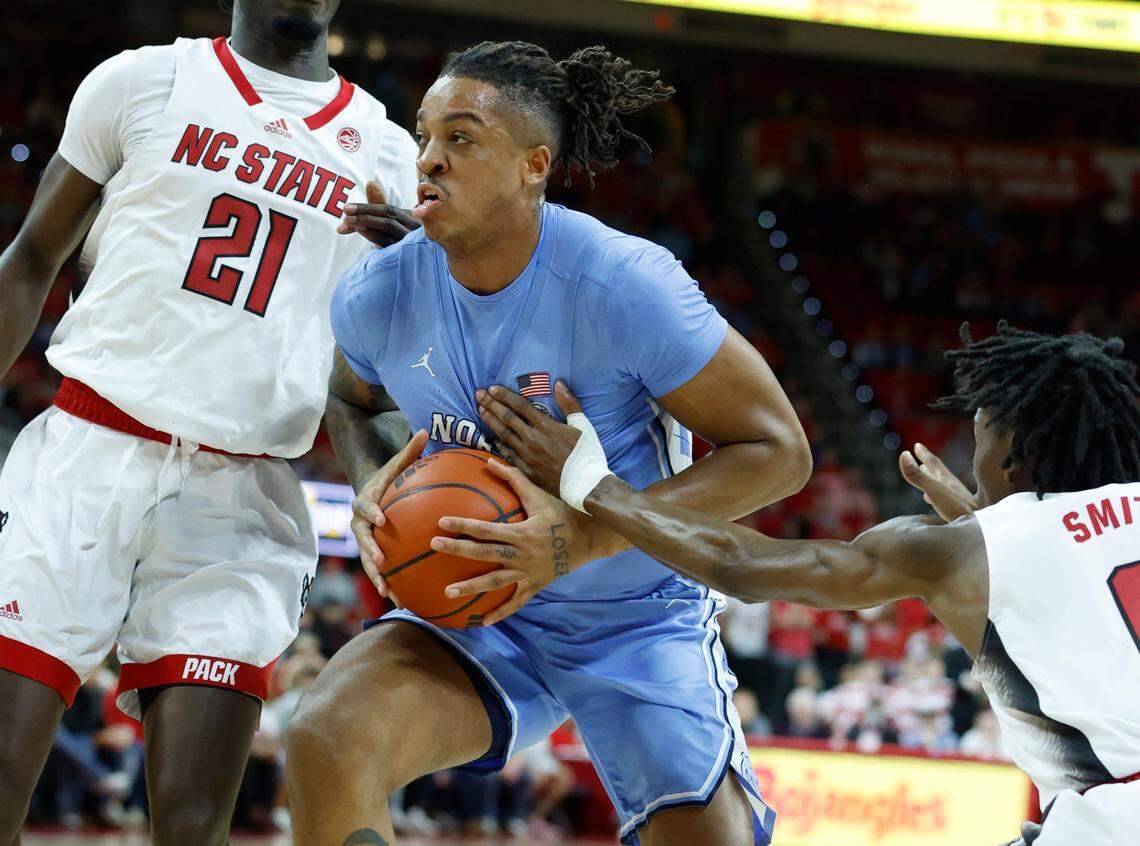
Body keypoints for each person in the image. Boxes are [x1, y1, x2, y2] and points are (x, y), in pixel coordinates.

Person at [286, 40, 813, 846]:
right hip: (474, 609)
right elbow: (349, 399)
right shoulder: (378, 291)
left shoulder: (625, 284)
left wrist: (574, 542)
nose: (428, 159)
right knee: (326, 738)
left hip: (633, 617)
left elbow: (779, 453)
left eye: (460, 138)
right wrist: (370, 479)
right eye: (424, 136)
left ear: (534, 165)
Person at [452, 322, 1140, 846]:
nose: (974, 456)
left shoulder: (965, 550)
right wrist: (971, 513)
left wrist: (590, 483)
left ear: (1015, 456)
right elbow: (1076, 562)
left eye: (982, 439)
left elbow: (744, 566)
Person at [0, 1, 418, 840]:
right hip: (87, 450)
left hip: (242, 493)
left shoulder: (387, 153)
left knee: (194, 822)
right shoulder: (144, 80)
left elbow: (360, 380)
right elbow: (32, 259)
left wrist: (420, 281)